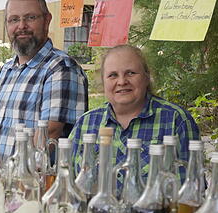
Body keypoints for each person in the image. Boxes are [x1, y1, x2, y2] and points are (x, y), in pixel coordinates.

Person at [0, 0, 88, 159]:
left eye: (30, 18)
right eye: (14, 20)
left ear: (47, 20)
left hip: (33, 183)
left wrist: (12, 176)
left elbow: (49, 134)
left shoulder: (61, 68)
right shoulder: (6, 70)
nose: (21, 26)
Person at [68, 44, 199, 183]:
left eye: (130, 73)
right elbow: (66, 185)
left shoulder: (176, 121)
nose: (122, 81)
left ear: (147, 77)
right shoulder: (85, 124)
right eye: (113, 75)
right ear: (103, 82)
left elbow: (192, 190)